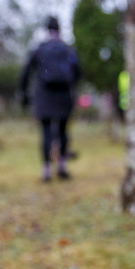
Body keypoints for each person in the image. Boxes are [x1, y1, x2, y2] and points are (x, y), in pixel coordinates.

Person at [19, 16, 81, 182]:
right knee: (63, 131)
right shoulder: (67, 49)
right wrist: (72, 87)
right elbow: (78, 71)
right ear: (59, 29)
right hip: (64, 96)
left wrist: (23, 93)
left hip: (44, 96)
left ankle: (46, 170)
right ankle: (61, 167)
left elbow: (25, 72)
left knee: (46, 132)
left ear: (46, 30)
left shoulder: (40, 49)